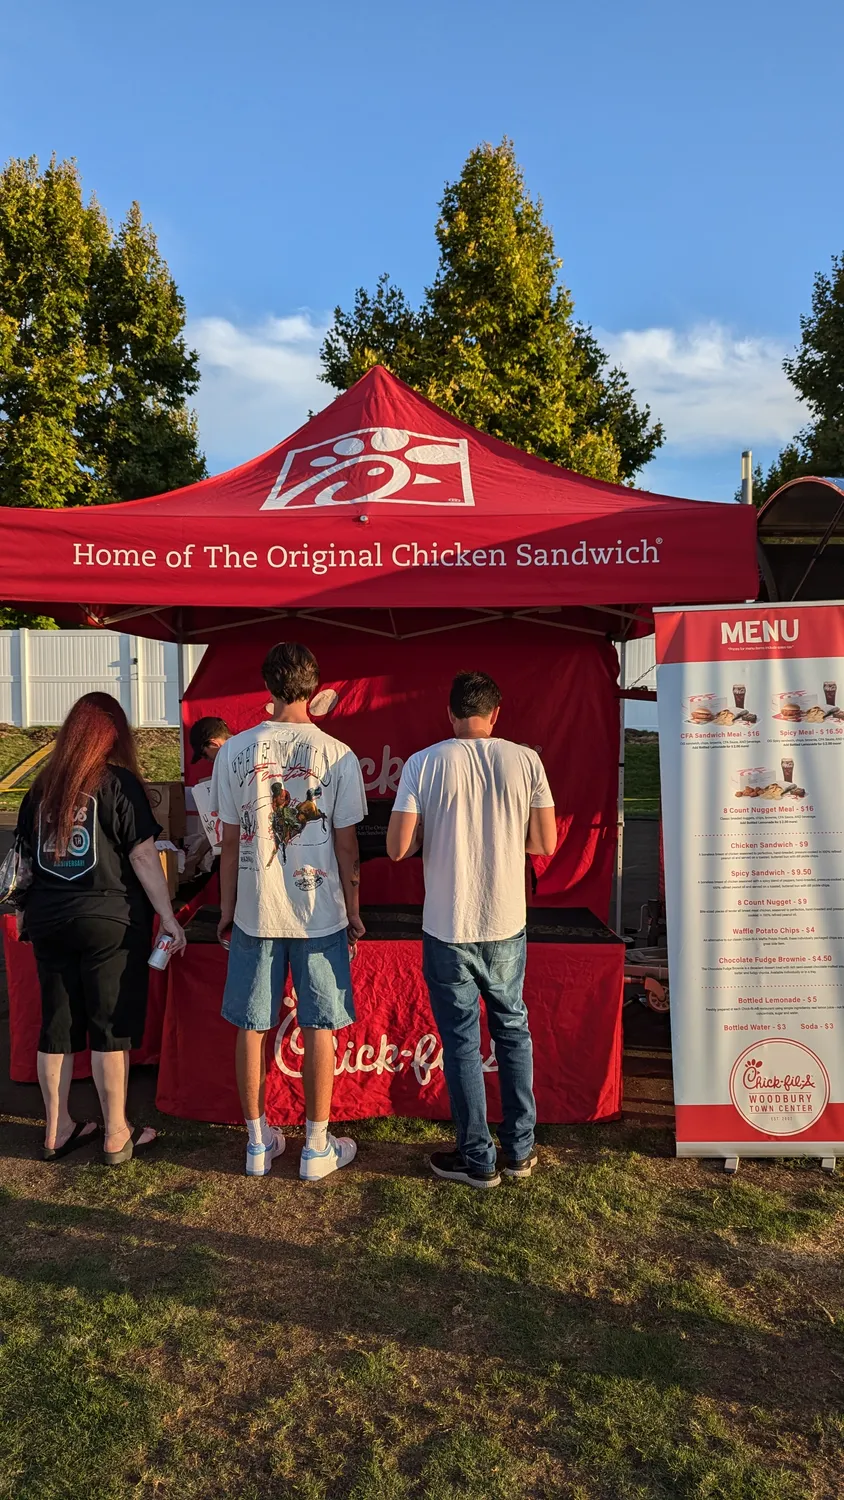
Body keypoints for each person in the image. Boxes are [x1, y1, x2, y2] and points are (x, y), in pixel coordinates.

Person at [387, 670, 557, 1189]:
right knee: (512, 1030)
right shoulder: (526, 760)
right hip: (505, 920)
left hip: (447, 921)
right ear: (496, 714)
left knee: (461, 1041)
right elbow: (545, 843)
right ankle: (521, 1149)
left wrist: (433, 839)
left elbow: (397, 847)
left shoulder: (423, 762)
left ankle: (478, 1157)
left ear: (451, 714)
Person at [212, 642, 367, 1180]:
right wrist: (354, 906)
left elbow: (228, 843)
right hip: (319, 911)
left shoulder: (232, 751)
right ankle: (315, 1147)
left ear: (268, 686)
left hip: (256, 912)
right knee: (319, 1025)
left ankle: (257, 1143)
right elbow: (347, 846)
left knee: (252, 1026)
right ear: (313, 684)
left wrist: (226, 909)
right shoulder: (338, 753)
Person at [14, 693, 187, 1165]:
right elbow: (143, 855)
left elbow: (24, 861)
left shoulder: (42, 787)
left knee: (57, 1028)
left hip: (48, 918)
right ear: (114, 735)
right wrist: (168, 917)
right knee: (111, 1030)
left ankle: (56, 1131)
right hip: (110, 921)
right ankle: (115, 1134)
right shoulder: (119, 784)